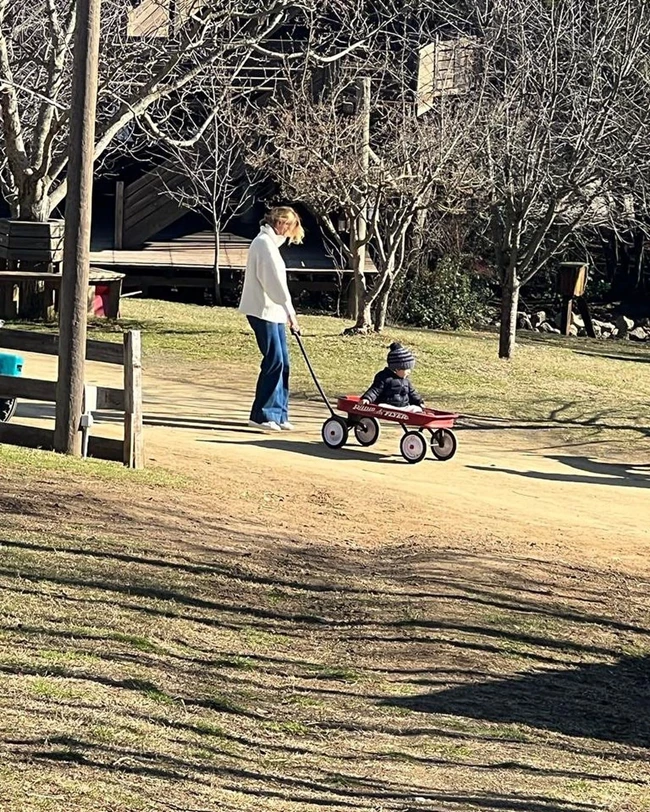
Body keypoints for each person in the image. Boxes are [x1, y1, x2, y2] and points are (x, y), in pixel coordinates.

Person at [238, 206, 304, 432]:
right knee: (274, 360)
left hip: (274, 311)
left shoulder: (271, 244)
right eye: (289, 226)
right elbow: (274, 283)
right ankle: (262, 415)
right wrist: (291, 313)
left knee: (283, 361)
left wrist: (287, 312)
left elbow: (277, 285)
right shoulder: (263, 244)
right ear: (281, 223)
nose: (290, 232)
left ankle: (279, 413)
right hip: (262, 310)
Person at [361, 342, 425, 412]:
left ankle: (414, 414)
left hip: (403, 407)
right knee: (382, 406)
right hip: (388, 406)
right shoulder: (384, 377)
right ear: (396, 369)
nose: (409, 372)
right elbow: (375, 390)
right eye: (406, 369)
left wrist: (419, 402)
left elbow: (412, 393)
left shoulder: (406, 380)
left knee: (416, 408)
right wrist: (367, 398)